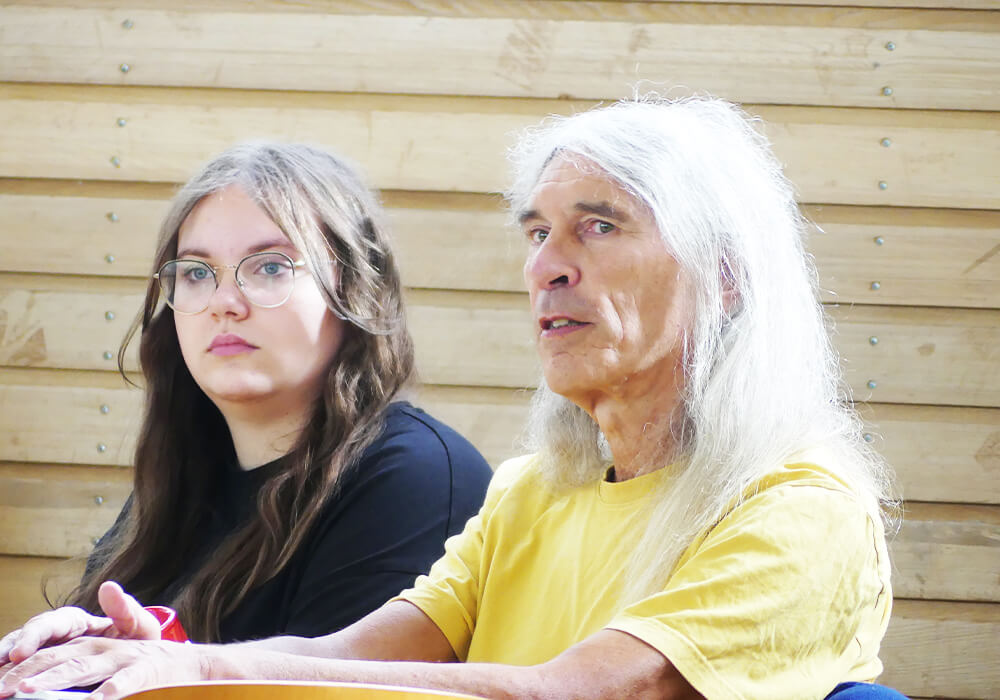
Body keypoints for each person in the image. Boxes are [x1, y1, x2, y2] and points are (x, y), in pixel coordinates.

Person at [0, 97, 905, 699]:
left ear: (725, 277)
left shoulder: (801, 509)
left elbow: (570, 692)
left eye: (600, 226)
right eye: (540, 231)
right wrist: (152, 661)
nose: (548, 264)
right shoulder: (532, 492)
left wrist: (185, 667)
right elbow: (350, 659)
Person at [0, 142, 492, 651]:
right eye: (195, 273)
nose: (224, 303)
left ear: (355, 290)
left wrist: (160, 671)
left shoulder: (418, 478)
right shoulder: (187, 475)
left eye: (270, 267)